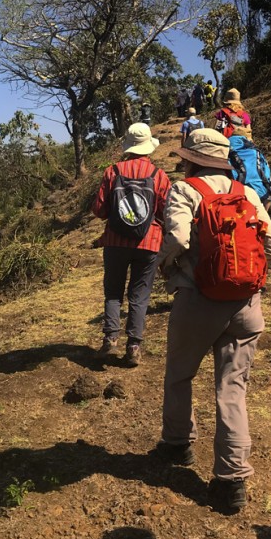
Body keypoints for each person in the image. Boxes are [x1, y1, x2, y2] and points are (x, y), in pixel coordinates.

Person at [153, 128, 271, 514]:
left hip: (197, 300)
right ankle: (232, 481)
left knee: (179, 373)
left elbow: (176, 237)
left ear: (191, 159)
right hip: (245, 305)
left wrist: (166, 263)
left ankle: (177, 444)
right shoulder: (247, 193)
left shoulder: (184, 190)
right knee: (232, 390)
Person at [91, 123, 171, 366]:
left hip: (115, 240)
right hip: (149, 242)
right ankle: (134, 345)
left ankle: (110, 338)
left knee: (113, 291)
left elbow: (99, 210)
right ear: (149, 147)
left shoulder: (112, 171)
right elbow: (166, 212)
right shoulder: (159, 175)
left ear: (128, 146)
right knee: (140, 294)